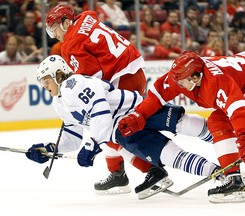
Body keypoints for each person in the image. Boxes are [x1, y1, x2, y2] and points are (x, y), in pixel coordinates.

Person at [25, 55, 222, 199]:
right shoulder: (60, 104)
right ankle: (219, 172)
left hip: (136, 110)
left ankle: (230, 141)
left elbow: (99, 109)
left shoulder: (74, 84)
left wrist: (93, 144)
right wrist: (50, 149)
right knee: (167, 155)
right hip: (122, 133)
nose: (45, 86)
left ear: (58, 74)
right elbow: (72, 137)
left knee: (183, 123)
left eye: (46, 81)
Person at [118, 50, 245, 203]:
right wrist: (138, 114)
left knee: (220, 123)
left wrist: (243, 138)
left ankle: (234, 181)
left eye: (182, 82)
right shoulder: (181, 75)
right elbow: (157, 95)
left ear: (196, 78)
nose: (178, 85)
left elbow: (239, 110)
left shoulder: (216, 81)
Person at [44, 3, 151, 194]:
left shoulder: (70, 45)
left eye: (54, 30)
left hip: (121, 78)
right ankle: (117, 172)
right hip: (135, 72)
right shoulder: (86, 16)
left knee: (109, 129)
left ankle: (151, 170)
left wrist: (78, 96)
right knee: (114, 128)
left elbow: (92, 79)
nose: (55, 36)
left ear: (67, 23)